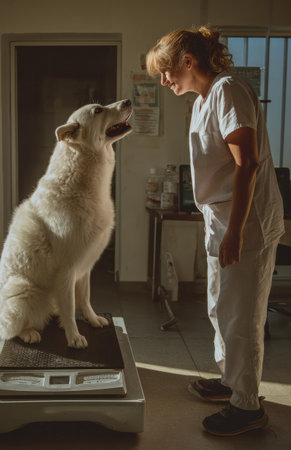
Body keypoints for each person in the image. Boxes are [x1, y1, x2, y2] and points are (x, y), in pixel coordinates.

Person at [146, 26, 285, 437]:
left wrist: (236, 232)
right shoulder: (206, 98)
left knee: (241, 316)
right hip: (222, 218)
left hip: (247, 223)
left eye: (166, 72)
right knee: (220, 308)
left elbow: (248, 164)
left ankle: (247, 406)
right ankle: (230, 383)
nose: (163, 81)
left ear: (187, 62)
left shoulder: (228, 90)